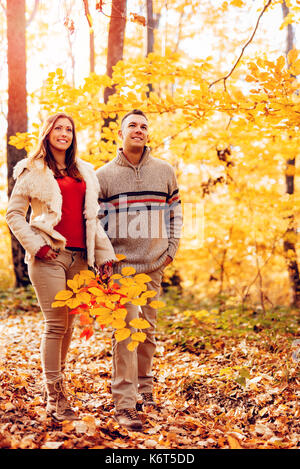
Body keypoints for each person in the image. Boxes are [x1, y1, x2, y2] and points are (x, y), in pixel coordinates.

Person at [6, 112, 117, 422]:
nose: (64, 133)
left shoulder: (85, 172)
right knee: (56, 325)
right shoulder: (33, 170)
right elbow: (14, 215)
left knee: (68, 326)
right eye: (58, 128)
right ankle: (56, 396)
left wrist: (105, 257)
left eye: (69, 129)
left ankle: (55, 383)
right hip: (49, 257)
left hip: (81, 259)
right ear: (48, 133)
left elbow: (91, 219)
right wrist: (36, 246)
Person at [96, 109, 182, 431]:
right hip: (120, 269)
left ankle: (144, 391)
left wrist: (171, 250)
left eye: (144, 126)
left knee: (147, 333)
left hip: (154, 266)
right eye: (132, 125)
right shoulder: (104, 176)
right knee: (128, 331)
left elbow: (176, 213)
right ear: (120, 133)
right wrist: (104, 264)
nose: (139, 130)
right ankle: (125, 403)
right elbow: (95, 225)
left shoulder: (164, 171)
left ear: (148, 134)